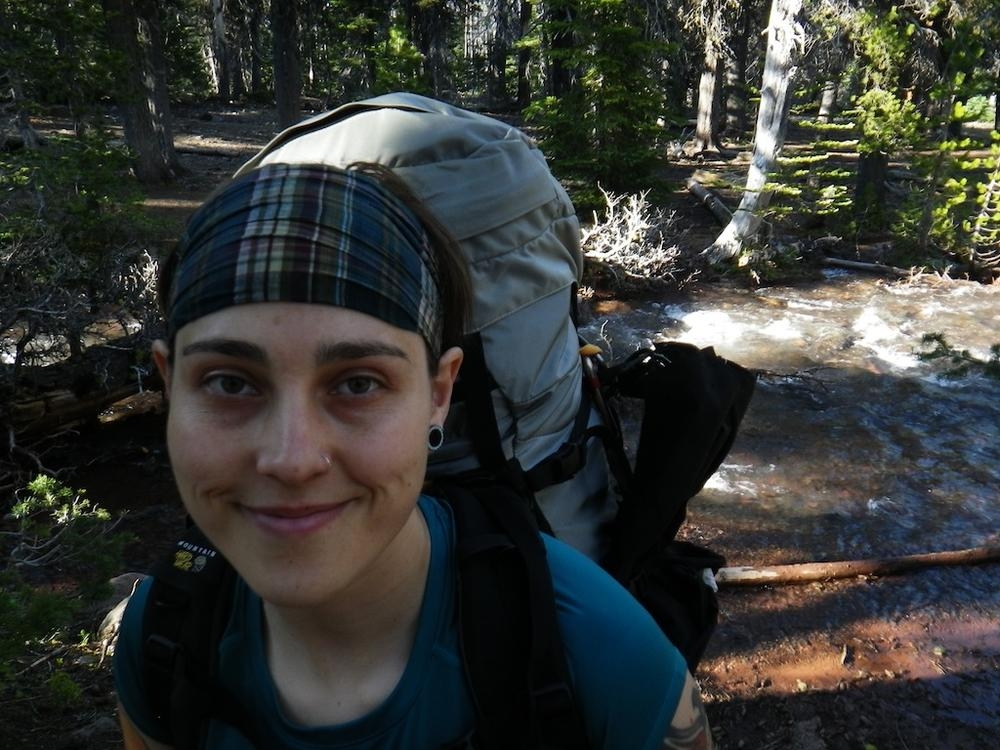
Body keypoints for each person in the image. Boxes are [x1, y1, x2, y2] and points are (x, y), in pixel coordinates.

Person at [113, 160, 715, 749]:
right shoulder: (161, 634)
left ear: (438, 395)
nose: (292, 460)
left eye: (358, 384)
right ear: (170, 386)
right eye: (229, 382)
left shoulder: (605, 657)